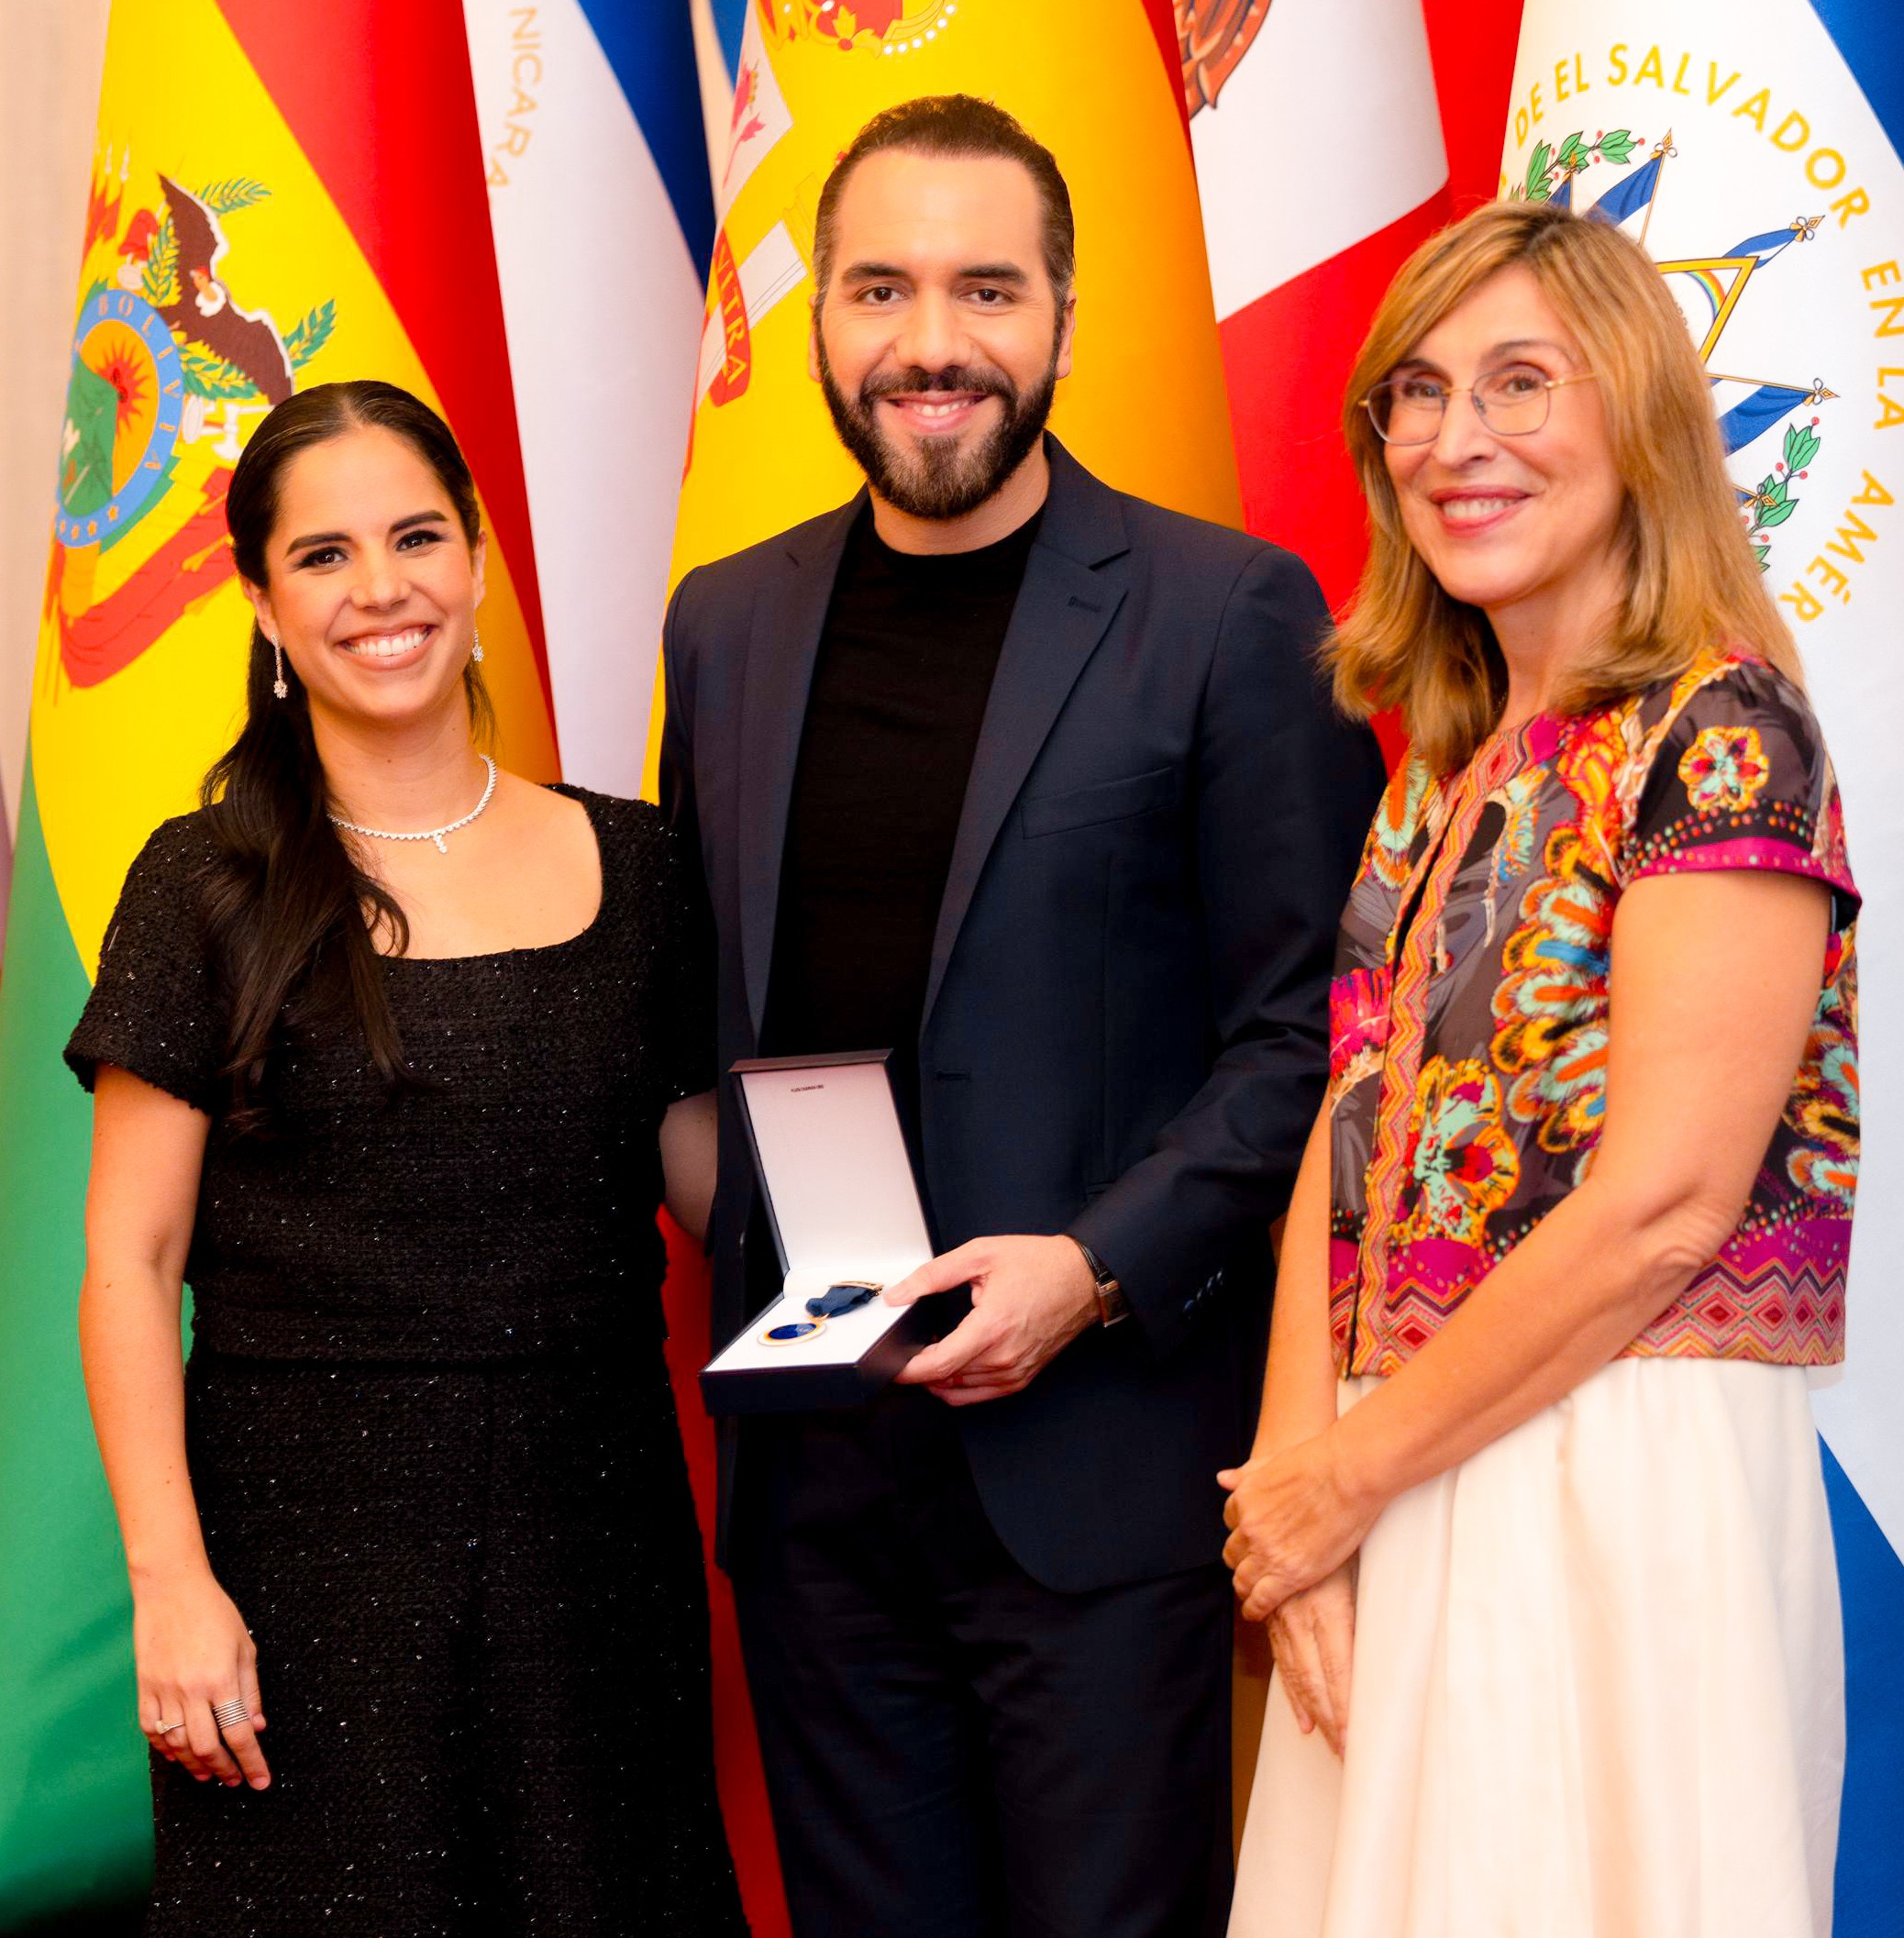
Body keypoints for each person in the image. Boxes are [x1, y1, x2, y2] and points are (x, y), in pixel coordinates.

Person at [659, 96, 1382, 1937]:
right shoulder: (723, 626)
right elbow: (697, 1029)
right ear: (818, 319)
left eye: (985, 289)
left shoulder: (1227, 614)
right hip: (815, 1486)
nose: (931, 343)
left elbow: (1307, 1037)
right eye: (880, 289)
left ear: (1063, 314)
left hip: (1095, 1477)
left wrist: (1094, 1269)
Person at [1221, 199, 1859, 1936]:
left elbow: (1664, 1205)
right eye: (1416, 394)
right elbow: (1348, 1125)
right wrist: (1291, 1499)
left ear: (1638, 419)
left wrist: (1343, 1477)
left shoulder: (1722, 731)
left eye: (1519, 381)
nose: (1455, 439)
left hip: (1614, 1465)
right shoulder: (1442, 763)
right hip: (1400, 1454)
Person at [69, 380, 746, 1934]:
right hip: (305, 1570)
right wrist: (171, 1583)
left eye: (416, 537)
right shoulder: (203, 884)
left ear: (480, 562)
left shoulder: (641, 863)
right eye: (323, 555)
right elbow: (128, 1262)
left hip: (596, 1547)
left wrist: (891, 1241)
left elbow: (710, 1186)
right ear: (262, 604)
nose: (380, 588)